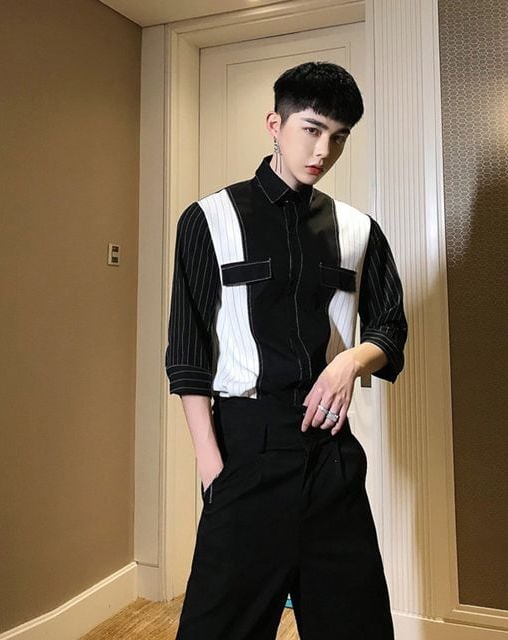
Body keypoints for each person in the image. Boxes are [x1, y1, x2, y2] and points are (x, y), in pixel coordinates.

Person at [164, 61, 407, 640]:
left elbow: (390, 328)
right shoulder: (209, 220)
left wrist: (350, 360)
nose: (324, 150)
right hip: (246, 450)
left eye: (339, 137)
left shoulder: (358, 230)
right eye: (312, 129)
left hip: (331, 454)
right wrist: (212, 467)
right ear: (275, 124)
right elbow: (188, 353)